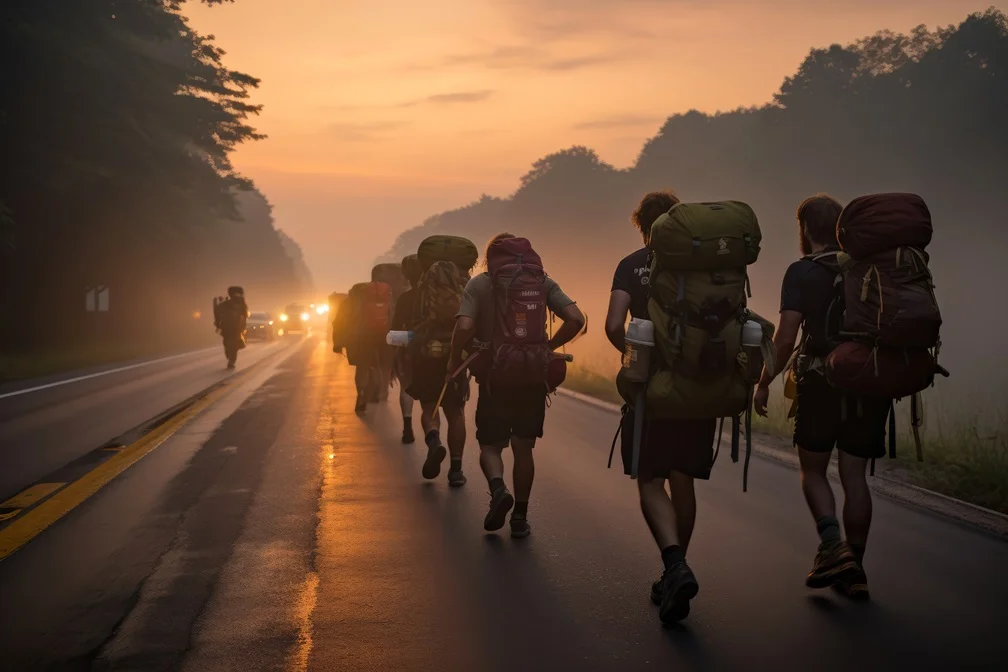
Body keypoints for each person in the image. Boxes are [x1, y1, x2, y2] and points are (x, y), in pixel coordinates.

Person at [754, 193, 885, 600]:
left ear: (805, 230)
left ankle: (831, 547)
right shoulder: (871, 268)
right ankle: (856, 569)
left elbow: (785, 339)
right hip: (869, 384)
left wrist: (762, 382)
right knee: (853, 476)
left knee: (813, 471)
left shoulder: (801, 272)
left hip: (820, 383)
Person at [604, 191, 715, 624]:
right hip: (701, 387)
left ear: (642, 225)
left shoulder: (631, 265)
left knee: (651, 479)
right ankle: (675, 569)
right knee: (683, 480)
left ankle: (674, 566)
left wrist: (634, 356)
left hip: (652, 390)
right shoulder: (705, 263)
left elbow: (614, 324)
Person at [450, 232, 584, 538]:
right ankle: (520, 518)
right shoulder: (543, 282)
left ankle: (498, 489)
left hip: (496, 377)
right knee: (524, 448)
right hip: (533, 376)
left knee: (490, 445)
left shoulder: (480, 284)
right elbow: (576, 319)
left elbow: (465, 326)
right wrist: (548, 347)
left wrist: (455, 356)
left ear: (490, 258)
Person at [407, 257, 472, 487]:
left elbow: (409, 329)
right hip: (454, 357)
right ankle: (456, 470)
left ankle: (434, 440)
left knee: (429, 407)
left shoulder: (420, 290)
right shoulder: (465, 289)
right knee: (456, 412)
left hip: (426, 355)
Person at [391, 255, 422, 444]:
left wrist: (411, 338)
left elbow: (393, 333)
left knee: (405, 387)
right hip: (439, 350)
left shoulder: (405, 298)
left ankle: (408, 426)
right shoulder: (439, 296)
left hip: (411, 351)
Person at [214, 286, 249, 370]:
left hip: (237, 327)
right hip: (226, 327)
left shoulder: (241, 303)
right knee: (226, 342)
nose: (236, 296)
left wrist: (242, 324)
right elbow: (218, 312)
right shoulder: (226, 303)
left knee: (235, 344)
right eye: (234, 293)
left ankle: (231, 360)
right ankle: (230, 357)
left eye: (237, 294)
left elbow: (245, 315)